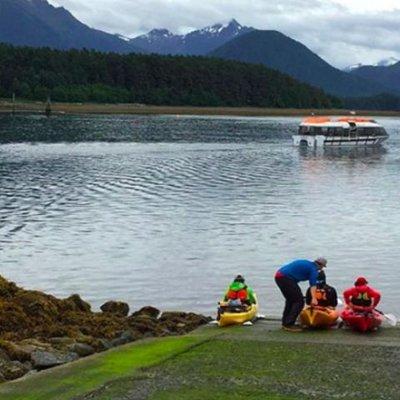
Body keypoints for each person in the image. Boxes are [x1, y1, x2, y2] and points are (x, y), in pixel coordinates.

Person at [275, 257, 327, 332]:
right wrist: (314, 298)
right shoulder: (313, 269)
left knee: (291, 300)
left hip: (279, 276)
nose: (321, 269)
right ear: (321, 265)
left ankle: (285, 322)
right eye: (322, 267)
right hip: (285, 278)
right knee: (299, 301)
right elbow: (313, 285)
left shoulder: (307, 263)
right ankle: (289, 324)